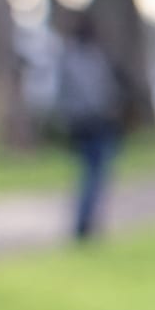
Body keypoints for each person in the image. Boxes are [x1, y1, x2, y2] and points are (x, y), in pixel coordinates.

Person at [54, 15, 125, 242]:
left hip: (84, 124)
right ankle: (84, 224)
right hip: (93, 124)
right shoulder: (87, 58)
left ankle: (87, 222)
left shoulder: (75, 57)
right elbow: (100, 92)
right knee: (94, 175)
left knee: (93, 175)